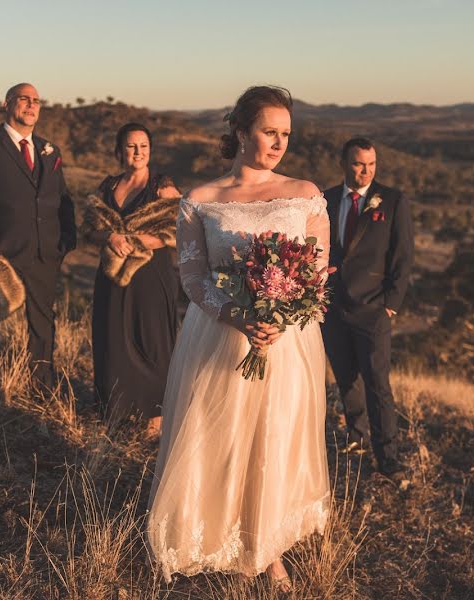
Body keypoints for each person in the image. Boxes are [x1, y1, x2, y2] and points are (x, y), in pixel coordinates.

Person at [146, 86, 331, 590]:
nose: (278, 143)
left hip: (288, 339)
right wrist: (237, 315)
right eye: (269, 132)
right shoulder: (201, 201)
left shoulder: (305, 193)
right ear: (240, 132)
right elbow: (192, 277)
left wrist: (280, 315)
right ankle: (213, 530)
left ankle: (268, 546)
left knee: (275, 433)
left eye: (285, 134)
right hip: (219, 337)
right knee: (218, 433)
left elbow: (315, 271)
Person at [0, 82, 77, 392]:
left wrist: (66, 241)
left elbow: (63, 198)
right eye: (24, 99)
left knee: (43, 326)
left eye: (36, 100)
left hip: (44, 252)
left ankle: (42, 392)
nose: (31, 105)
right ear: (8, 104)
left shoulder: (50, 150)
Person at [320, 137, 414, 479]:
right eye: (359, 164)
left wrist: (390, 304)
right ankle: (356, 436)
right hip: (332, 307)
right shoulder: (326, 199)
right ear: (344, 163)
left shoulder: (392, 201)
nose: (365, 171)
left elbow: (403, 257)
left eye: (371, 165)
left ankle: (387, 456)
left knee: (378, 384)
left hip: (373, 308)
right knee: (346, 378)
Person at [82, 123, 181, 436]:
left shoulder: (161, 186)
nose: (137, 152)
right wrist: (110, 237)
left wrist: (140, 241)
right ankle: (116, 410)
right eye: (130, 146)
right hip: (112, 275)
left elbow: (181, 228)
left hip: (151, 276)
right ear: (118, 151)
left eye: (143, 146)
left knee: (152, 341)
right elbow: (89, 229)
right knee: (113, 338)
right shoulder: (108, 186)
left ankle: (156, 417)